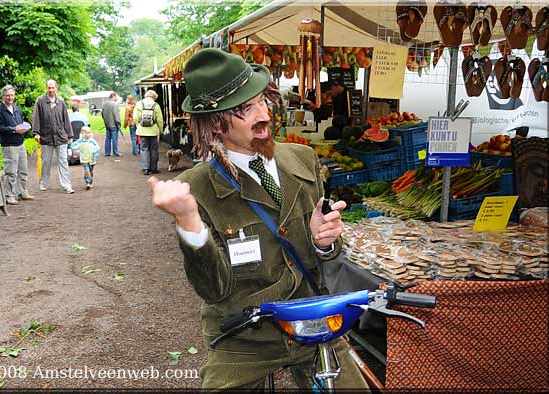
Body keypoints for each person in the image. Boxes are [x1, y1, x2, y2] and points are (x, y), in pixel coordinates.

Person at [148, 48, 368, 391]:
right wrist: (188, 219)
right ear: (216, 123)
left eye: (262, 101)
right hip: (245, 334)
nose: (263, 114)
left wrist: (323, 241)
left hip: (313, 320)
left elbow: (328, 252)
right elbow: (214, 290)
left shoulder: (303, 159)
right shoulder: (196, 187)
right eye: (245, 110)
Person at [0, 84, 34, 205]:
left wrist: (25, 126)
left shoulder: (16, 108)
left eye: (12, 95)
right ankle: (9, 195)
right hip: (9, 145)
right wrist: (14, 129)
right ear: (3, 96)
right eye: (7, 96)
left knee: (23, 169)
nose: (10, 98)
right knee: (11, 171)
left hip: (20, 143)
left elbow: (19, 123)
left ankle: (22, 192)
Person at [32, 79, 74, 194]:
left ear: (56, 88)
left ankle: (66, 185)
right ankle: (43, 183)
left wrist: (69, 135)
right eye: (49, 88)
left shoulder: (61, 101)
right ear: (46, 88)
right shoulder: (40, 101)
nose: (51, 90)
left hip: (61, 136)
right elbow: (36, 118)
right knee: (46, 162)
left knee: (63, 162)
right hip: (46, 137)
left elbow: (66, 119)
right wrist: (36, 132)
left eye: (53, 88)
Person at [134, 90, 163, 175]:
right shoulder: (156, 105)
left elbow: (135, 117)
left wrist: (138, 126)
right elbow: (160, 120)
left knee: (144, 149)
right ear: (154, 97)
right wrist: (160, 130)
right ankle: (154, 168)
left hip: (142, 131)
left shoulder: (139, 104)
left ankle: (146, 168)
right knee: (154, 149)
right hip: (153, 131)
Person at [69, 126, 100, 190]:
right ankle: (88, 183)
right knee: (87, 170)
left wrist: (95, 151)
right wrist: (71, 145)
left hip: (92, 158)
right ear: (82, 134)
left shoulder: (92, 141)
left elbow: (97, 146)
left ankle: (90, 182)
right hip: (84, 159)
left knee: (91, 171)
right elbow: (74, 145)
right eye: (86, 133)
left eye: (89, 133)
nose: (88, 134)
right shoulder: (80, 141)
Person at [101, 91, 121, 157]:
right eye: (116, 97)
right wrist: (118, 124)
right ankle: (115, 152)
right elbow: (116, 115)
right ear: (113, 96)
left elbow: (102, 115)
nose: (117, 98)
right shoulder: (114, 104)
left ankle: (107, 152)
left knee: (108, 139)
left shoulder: (104, 104)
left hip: (107, 124)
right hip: (114, 125)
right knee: (114, 139)